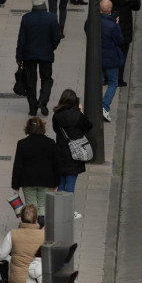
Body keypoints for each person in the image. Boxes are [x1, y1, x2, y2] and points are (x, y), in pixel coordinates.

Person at [16, 0, 61, 116]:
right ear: (44, 2)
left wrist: (19, 57)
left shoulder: (26, 18)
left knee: (30, 81)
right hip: (46, 54)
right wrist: (51, 47)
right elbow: (56, 37)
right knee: (46, 79)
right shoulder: (51, 17)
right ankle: (43, 100)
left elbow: (21, 40)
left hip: (29, 55)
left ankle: (32, 107)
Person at [11, 117, 59, 226]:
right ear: (42, 128)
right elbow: (56, 164)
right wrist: (56, 182)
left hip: (28, 180)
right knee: (43, 205)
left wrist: (15, 185)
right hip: (46, 180)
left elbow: (18, 165)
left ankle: (32, 225)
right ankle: (42, 226)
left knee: (31, 205)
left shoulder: (22, 143)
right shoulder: (50, 143)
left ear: (28, 128)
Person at [52, 89, 92, 219]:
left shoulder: (56, 116)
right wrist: (80, 111)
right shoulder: (78, 116)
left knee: (61, 183)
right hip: (74, 152)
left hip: (60, 151)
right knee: (71, 183)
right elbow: (88, 126)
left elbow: (55, 129)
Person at [0, 204, 44, 283]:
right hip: (37, 281)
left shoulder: (12, 234)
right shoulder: (44, 235)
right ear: (36, 219)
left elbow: (2, 254)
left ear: (21, 218)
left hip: (17, 281)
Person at [110, 0, 140, 87]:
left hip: (114, 26)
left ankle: (108, 77)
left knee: (112, 53)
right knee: (122, 54)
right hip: (125, 29)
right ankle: (119, 79)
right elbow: (137, 7)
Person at [97, 0, 125, 122]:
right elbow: (120, 40)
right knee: (113, 82)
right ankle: (105, 106)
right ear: (109, 10)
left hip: (98, 57)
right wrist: (117, 24)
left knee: (100, 81)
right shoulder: (113, 25)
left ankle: (96, 105)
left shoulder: (93, 21)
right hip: (111, 59)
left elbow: (87, 29)